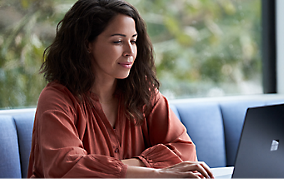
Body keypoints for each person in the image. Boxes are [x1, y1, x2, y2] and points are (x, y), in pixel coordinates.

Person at [27, 0, 214, 178]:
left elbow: (185, 151)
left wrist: (109, 167)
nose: (130, 51)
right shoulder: (57, 98)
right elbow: (67, 170)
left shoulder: (143, 92)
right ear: (87, 44)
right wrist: (156, 172)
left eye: (133, 40)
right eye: (118, 41)